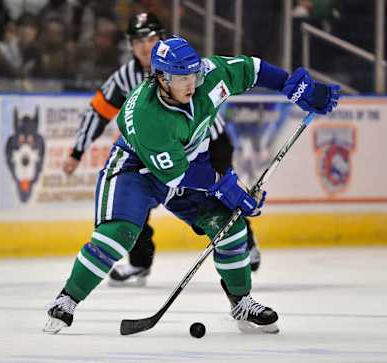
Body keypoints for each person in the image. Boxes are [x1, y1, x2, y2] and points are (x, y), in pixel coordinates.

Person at [44, 36, 340, 334]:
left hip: (188, 163)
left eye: (194, 75)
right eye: (182, 78)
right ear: (161, 77)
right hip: (136, 170)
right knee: (118, 234)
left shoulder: (207, 78)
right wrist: (226, 186)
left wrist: (296, 87)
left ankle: (241, 302)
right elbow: (174, 176)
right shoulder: (148, 117)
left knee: (230, 227)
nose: (191, 84)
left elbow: (252, 69)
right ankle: (67, 299)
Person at [63, 12, 263, 288]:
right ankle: (139, 264)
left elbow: (229, 75)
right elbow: (98, 112)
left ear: (161, 41)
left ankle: (244, 244)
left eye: (151, 39)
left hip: (209, 145)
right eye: (137, 41)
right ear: (130, 46)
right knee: (134, 205)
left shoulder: (184, 63)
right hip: (158, 153)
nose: (144, 46)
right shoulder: (125, 77)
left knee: (224, 197)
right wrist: (77, 151)